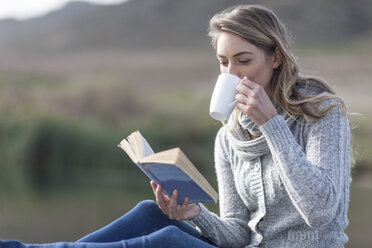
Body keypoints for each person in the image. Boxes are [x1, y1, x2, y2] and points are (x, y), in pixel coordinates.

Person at [0, 4, 351, 248]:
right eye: (223, 62)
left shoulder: (322, 114)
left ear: (275, 57)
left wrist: (273, 125)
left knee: (169, 242)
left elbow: (319, 211)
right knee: (151, 212)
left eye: (244, 61)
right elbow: (239, 235)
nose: (231, 75)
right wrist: (196, 214)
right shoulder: (229, 136)